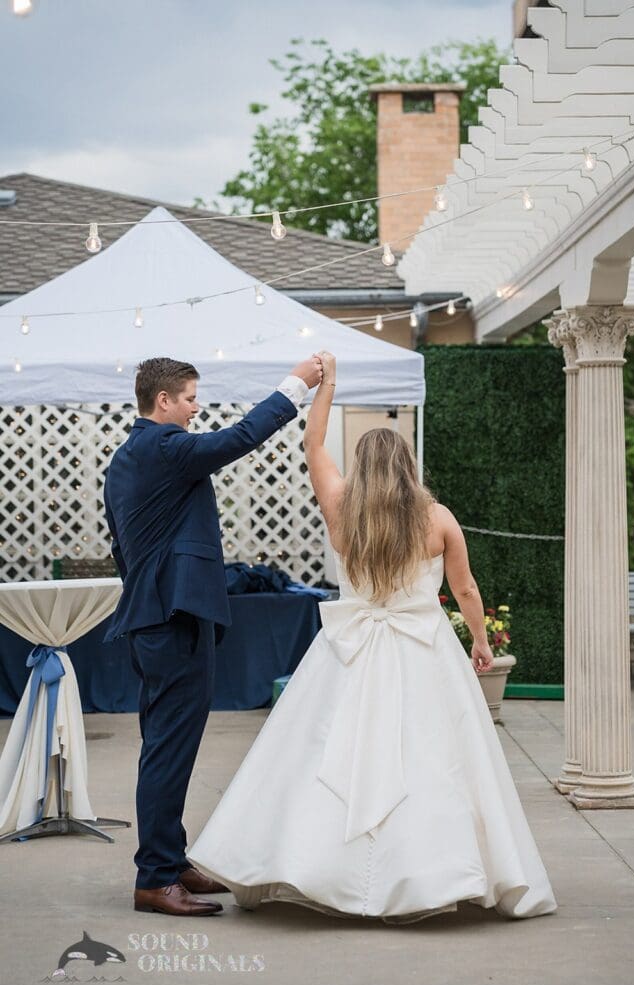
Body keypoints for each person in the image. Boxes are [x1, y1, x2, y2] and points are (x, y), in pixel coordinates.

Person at [187, 352, 558, 923]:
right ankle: (434, 875)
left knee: (324, 756)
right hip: (424, 651)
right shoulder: (439, 519)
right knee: (432, 763)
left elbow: (312, 447)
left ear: (360, 465)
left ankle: (312, 866)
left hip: (347, 651)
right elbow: (465, 591)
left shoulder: (341, 507)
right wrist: (480, 641)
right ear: (409, 465)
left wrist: (327, 387)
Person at [103, 354, 323, 917]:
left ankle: (170, 861)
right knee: (169, 750)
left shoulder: (125, 459)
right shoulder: (165, 448)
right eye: (191, 397)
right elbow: (241, 437)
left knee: (166, 746)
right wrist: (295, 386)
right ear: (163, 402)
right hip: (171, 622)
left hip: (156, 617)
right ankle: (154, 878)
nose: (197, 407)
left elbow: (125, 550)